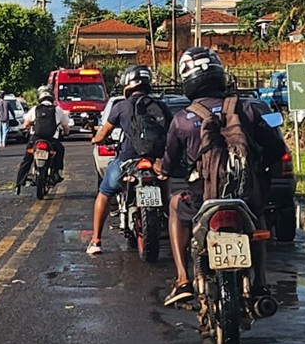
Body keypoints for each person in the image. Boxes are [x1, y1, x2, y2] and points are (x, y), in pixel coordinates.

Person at [156, 46, 282, 307]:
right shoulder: (247, 109)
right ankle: (260, 284)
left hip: (203, 198)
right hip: (245, 195)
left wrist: (166, 170)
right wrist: (260, 177)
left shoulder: (182, 119)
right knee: (257, 219)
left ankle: (182, 280)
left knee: (175, 204)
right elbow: (276, 149)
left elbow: (168, 164)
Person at [87, 65, 171, 256]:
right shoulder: (160, 105)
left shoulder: (120, 107)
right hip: (155, 160)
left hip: (128, 161)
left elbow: (103, 134)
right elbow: (172, 131)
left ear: (127, 84)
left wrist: (94, 139)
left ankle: (96, 241)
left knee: (105, 191)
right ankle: (166, 211)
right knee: (167, 182)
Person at [15, 86, 72, 193]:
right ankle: (56, 173)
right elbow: (66, 127)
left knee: (27, 159)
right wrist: (66, 133)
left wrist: (27, 127)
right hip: (52, 140)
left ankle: (19, 182)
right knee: (60, 151)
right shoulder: (58, 110)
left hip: (36, 139)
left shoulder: (35, 109)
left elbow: (26, 124)